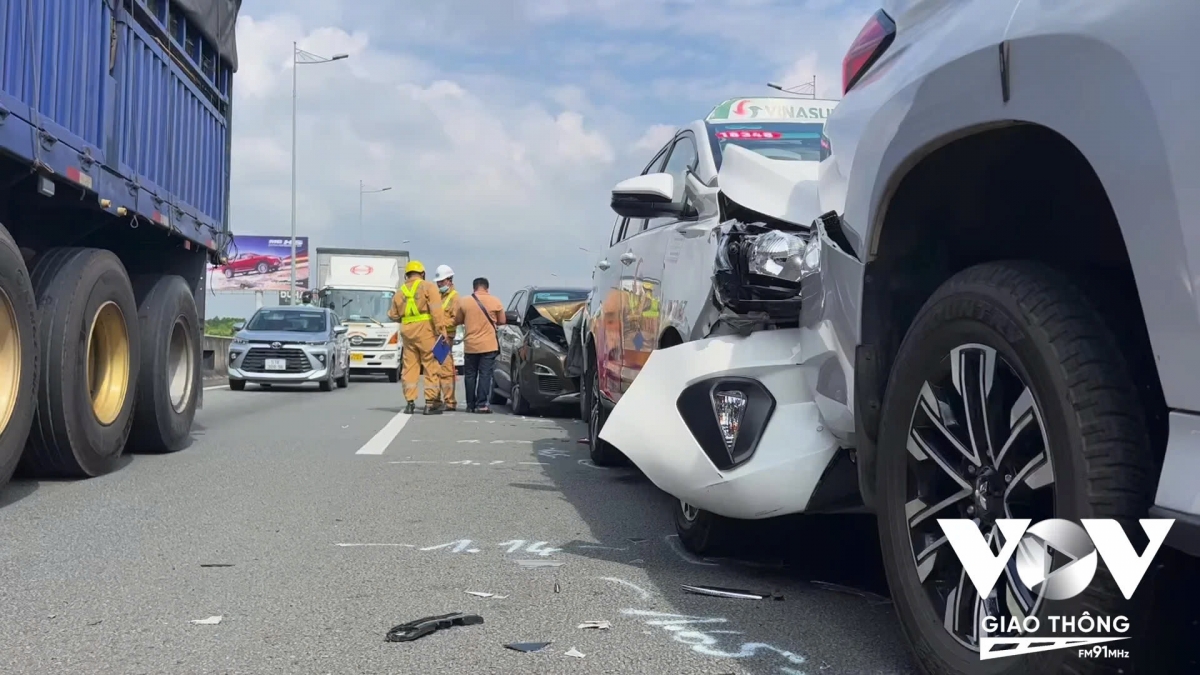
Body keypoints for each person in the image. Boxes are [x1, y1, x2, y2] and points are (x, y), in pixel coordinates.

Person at [388, 260, 449, 415]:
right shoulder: (428, 287)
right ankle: (430, 403)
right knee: (431, 366)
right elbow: (436, 311)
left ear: (406, 275)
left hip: (407, 333)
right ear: (422, 274)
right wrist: (442, 331)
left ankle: (410, 402)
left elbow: (393, 315)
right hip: (426, 331)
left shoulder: (399, 292)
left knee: (410, 367)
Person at [454, 277, 506, 413]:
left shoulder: (464, 301)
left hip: (470, 345)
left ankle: (470, 405)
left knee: (470, 375)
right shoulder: (495, 301)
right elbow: (502, 321)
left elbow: (457, 320)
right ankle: (482, 404)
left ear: (474, 288)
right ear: (487, 288)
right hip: (489, 346)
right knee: (485, 374)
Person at [433, 264, 460, 411]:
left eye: (441, 282)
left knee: (446, 371)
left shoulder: (455, 298)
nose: (439, 284)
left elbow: (456, 319)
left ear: (449, 280)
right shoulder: (438, 296)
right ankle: (435, 399)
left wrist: (440, 324)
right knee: (434, 370)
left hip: (446, 339)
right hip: (436, 338)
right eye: (438, 282)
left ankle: (449, 401)